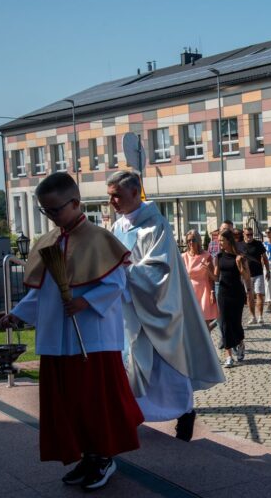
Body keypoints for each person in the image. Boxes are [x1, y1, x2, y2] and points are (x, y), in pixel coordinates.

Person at [0, 172, 142, 491]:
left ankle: (104, 457)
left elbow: (117, 283)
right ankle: (87, 456)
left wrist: (86, 302)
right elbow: (40, 293)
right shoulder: (48, 243)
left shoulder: (99, 238)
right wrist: (17, 314)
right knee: (69, 404)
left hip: (92, 339)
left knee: (95, 402)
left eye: (55, 210)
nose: (50, 217)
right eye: (45, 211)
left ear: (75, 203)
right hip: (56, 341)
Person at [108, 171, 224, 443]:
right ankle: (132, 413)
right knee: (131, 363)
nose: (112, 201)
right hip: (128, 309)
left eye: (117, 195)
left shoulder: (156, 226)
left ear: (136, 193)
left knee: (165, 365)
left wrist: (127, 272)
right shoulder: (116, 228)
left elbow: (160, 271)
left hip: (156, 308)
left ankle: (184, 413)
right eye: (110, 196)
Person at [214, 229, 253, 367]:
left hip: (237, 293)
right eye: (218, 240)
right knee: (224, 324)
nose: (219, 243)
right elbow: (216, 277)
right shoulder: (218, 257)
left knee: (235, 323)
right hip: (223, 293)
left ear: (229, 241)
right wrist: (206, 271)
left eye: (221, 240)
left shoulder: (240, 257)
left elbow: (247, 277)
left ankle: (240, 343)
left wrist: (241, 266)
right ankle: (229, 356)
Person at [182, 229, 219, 331]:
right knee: (191, 321)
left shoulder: (207, 256)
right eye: (188, 240)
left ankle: (206, 345)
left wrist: (212, 291)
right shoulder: (183, 257)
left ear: (198, 240)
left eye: (193, 240)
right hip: (190, 291)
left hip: (204, 290)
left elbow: (212, 277)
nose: (191, 243)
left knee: (204, 322)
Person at [242, 226, 270, 325]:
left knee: (259, 294)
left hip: (258, 273)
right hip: (247, 275)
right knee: (249, 296)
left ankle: (260, 316)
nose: (250, 236)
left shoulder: (258, 244)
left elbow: (265, 257)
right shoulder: (240, 245)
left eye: (251, 234)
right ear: (243, 234)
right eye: (247, 234)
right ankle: (252, 316)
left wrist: (268, 270)